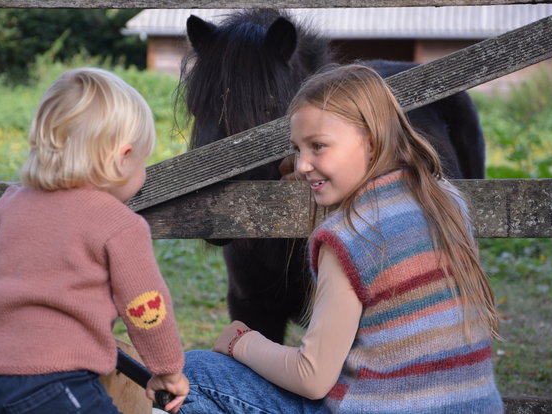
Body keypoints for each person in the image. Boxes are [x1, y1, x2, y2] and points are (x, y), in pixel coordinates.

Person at [179, 63, 503, 413]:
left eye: (318, 147)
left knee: (194, 371)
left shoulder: (348, 238)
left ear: (372, 141)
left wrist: (240, 342)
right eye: (297, 149)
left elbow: (312, 376)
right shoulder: (447, 202)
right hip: (476, 404)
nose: (302, 165)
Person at [0, 68, 188, 414]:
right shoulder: (119, 224)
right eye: (144, 160)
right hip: (54, 385)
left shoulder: (11, 203)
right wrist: (167, 370)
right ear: (123, 158)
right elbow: (146, 307)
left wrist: (2, 267)